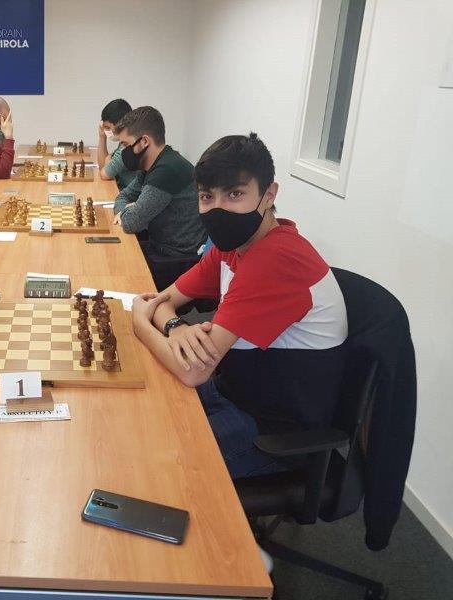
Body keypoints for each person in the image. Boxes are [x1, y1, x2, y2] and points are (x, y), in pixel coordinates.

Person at [131, 133, 348, 479]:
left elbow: (192, 370)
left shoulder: (275, 259)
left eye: (234, 194)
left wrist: (141, 324)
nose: (218, 208)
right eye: (207, 196)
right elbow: (161, 300)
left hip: (272, 432)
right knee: (138, 415)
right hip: (232, 390)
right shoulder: (232, 246)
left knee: (152, 468)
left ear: (269, 195)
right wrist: (176, 327)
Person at [112, 106, 206, 289]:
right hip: (161, 247)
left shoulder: (167, 170)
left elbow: (131, 222)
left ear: (144, 141)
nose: (123, 151)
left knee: (116, 271)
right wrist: (127, 209)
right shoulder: (153, 164)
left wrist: (128, 211)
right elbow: (123, 196)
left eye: (125, 144)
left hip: (176, 260)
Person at [97, 98, 136, 189]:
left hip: (129, 195)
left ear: (120, 124)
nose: (106, 130)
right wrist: (102, 137)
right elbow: (104, 166)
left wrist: (109, 159)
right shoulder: (124, 142)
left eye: (107, 127)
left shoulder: (127, 147)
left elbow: (104, 172)